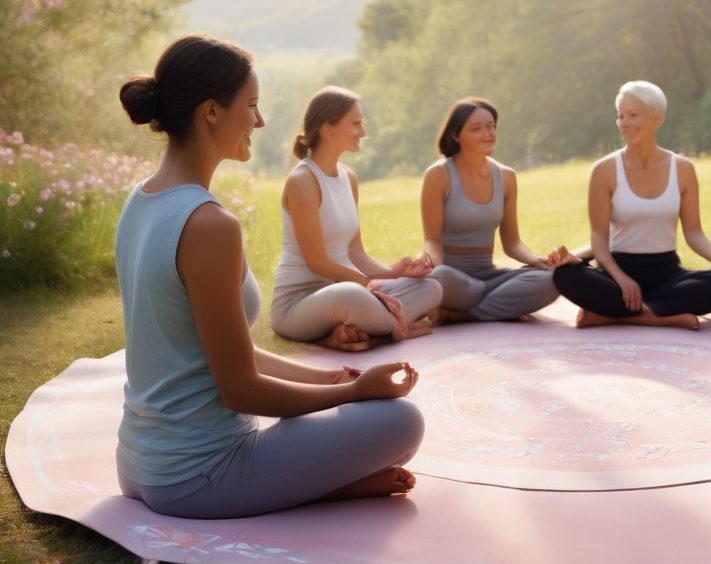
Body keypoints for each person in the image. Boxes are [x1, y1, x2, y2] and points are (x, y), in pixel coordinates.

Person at [115, 35, 424, 519]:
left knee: (363, 412)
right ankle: (320, 486)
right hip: (198, 475)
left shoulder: (142, 200)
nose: (260, 122)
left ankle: (310, 481)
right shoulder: (210, 225)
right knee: (402, 422)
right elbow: (241, 390)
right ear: (211, 111)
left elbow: (221, 349)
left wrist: (326, 378)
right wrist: (352, 393)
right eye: (252, 106)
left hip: (139, 463)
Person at [553, 81, 711, 330]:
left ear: (656, 119)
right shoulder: (604, 170)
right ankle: (664, 316)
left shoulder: (683, 169)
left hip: (667, 275)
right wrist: (622, 280)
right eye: (621, 116)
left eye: (633, 115)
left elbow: (694, 233)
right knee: (564, 275)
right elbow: (599, 240)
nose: (625, 123)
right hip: (616, 272)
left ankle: (616, 315)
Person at [271, 87, 442, 350]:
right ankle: (387, 329)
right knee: (351, 297)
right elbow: (317, 263)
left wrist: (395, 273)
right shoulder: (302, 180)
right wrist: (370, 287)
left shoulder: (348, 177)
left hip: (351, 292)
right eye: (356, 124)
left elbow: (356, 252)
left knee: (431, 288)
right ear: (328, 129)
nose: (363, 132)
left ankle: (361, 331)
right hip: (300, 303)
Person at [421, 97, 574, 323]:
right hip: (453, 277)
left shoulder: (506, 176)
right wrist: (432, 269)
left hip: (489, 278)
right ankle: (496, 307)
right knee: (439, 278)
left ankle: (465, 314)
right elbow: (432, 240)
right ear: (455, 135)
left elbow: (512, 243)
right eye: (477, 128)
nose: (488, 133)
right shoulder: (438, 174)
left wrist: (536, 262)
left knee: (555, 278)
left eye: (491, 126)